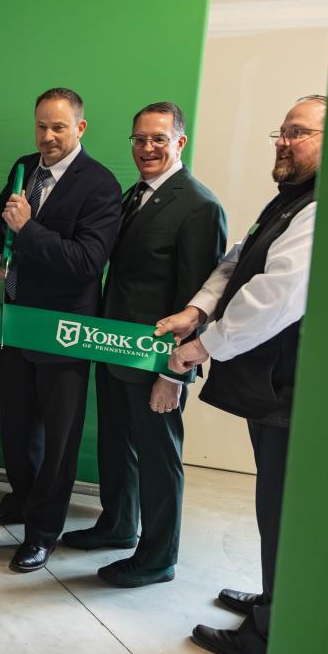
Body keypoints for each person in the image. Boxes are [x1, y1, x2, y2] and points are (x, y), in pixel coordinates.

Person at [157, 95, 325, 654]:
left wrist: (202, 345)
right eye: (282, 130)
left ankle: (271, 634)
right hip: (271, 388)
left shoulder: (318, 207)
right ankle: (275, 602)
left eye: (298, 132)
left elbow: (273, 298)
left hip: (292, 391)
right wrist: (198, 310)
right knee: (271, 504)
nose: (283, 140)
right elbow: (238, 260)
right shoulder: (291, 200)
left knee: (283, 509)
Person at [60, 102, 226, 587]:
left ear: (180, 142)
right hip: (115, 350)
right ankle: (117, 525)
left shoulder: (199, 205)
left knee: (158, 458)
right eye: (139, 139)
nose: (147, 148)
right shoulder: (136, 194)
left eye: (158, 139)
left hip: (158, 361)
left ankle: (158, 558)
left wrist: (174, 376)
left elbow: (199, 298)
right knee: (116, 446)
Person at [0, 88, 121, 572]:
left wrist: (28, 230)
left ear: (80, 128)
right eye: (41, 126)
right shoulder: (24, 167)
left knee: (58, 440)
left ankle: (42, 532)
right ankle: (20, 498)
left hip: (64, 330)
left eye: (58, 127)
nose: (47, 136)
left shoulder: (99, 185)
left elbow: (85, 263)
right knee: (16, 427)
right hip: (16, 316)